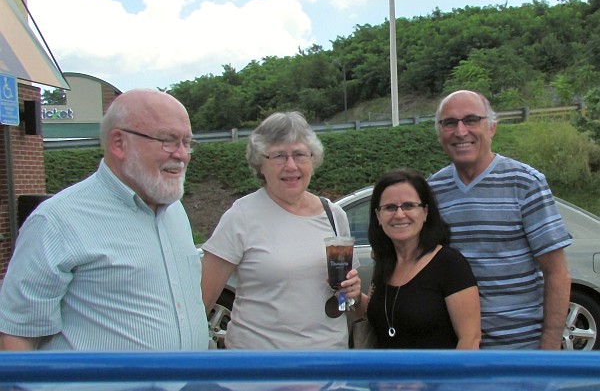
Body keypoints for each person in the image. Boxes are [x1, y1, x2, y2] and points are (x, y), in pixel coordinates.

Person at [0, 89, 209, 351]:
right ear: (118, 143)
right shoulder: (56, 221)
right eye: (168, 140)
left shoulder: (175, 211)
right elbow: (17, 338)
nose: (182, 154)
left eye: (187, 142)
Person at [201, 111, 361, 349]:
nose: (291, 165)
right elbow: (201, 301)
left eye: (299, 154)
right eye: (278, 156)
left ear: (313, 160)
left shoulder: (333, 214)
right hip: (263, 370)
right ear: (260, 164)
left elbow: (341, 302)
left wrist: (350, 293)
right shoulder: (242, 216)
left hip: (327, 365)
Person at [427, 90, 572, 349]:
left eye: (471, 120)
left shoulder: (526, 183)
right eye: (449, 123)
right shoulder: (433, 190)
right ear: (440, 133)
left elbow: (556, 271)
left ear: (492, 127)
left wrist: (549, 347)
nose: (460, 131)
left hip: (520, 351)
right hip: (458, 350)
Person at [354, 168, 480, 349]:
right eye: (390, 207)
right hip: (385, 375)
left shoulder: (449, 264)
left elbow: (470, 340)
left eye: (409, 206)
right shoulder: (385, 262)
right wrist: (355, 297)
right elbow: (381, 314)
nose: (399, 214)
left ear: (426, 212)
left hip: (435, 376)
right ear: (378, 216)